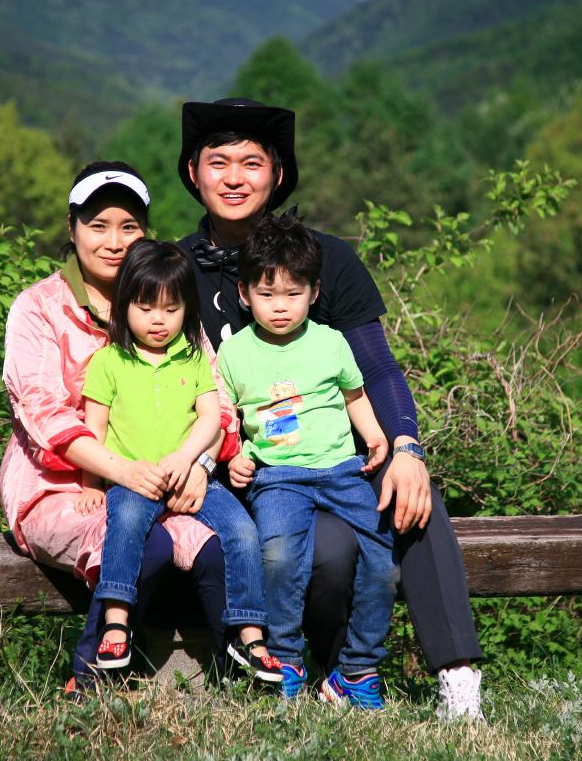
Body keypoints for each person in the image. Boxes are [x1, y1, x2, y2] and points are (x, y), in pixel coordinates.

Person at [176, 98, 485, 720]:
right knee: (328, 551)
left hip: (333, 458)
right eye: (218, 162)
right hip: (233, 466)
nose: (234, 178)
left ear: (278, 175)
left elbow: (376, 367)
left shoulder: (325, 258)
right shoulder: (174, 267)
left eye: (251, 163)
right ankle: (317, 668)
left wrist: (405, 445)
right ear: (192, 173)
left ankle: (456, 675)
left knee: (412, 493)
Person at [0, 162, 234, 692]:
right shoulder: (40, 308)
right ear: (72, 227)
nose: (113, 241)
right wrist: (122, 472)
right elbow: (45, 414)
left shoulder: (168, 305)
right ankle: (91, 679)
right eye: (98, 225)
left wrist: (199, 463)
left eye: (128, 227)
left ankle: (236, 681)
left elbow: (218, 400)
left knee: (218, 545)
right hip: (61, 488)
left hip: (168, 479)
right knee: (141, 543)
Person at [78, 238, 281, 682]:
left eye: (171, 309)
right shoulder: (108, 361)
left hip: (192, 476)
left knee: (242, 529)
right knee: (126, 523)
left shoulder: (192, 358)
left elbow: (210, 417)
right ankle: (116, 624)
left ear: (187, 310)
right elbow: (94, 430)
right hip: (134, 480)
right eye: (146, 307)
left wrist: (188, 459)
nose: (159, 319)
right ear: (124, 305)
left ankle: (251, 636)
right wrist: (92, 484)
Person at [218, 212, 398, 709]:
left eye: (293, 293)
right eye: (267, 294)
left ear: (314, 293)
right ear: (244, 293)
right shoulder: (234, 354)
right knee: (278, 557)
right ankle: (285, 661)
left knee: (385, 563)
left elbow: (355, 394)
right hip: (277, 479)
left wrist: (376, 436)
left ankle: (357, 670)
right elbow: (225, 417)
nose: (280, 306)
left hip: (343, 472)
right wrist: (235, 456)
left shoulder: (330, 341)